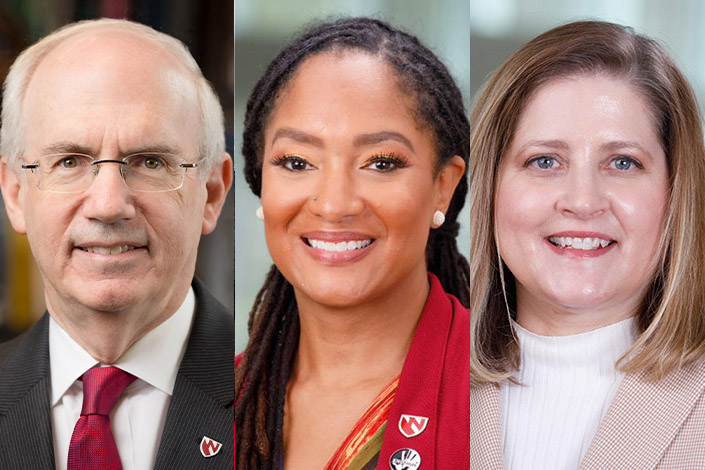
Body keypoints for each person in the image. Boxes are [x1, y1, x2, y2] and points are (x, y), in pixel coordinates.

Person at [234, 17, 469, 470]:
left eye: (380, 163)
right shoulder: (216, 400)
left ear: (444, 186)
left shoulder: (504, 393)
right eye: (297, 162)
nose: (334, 204)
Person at [470, 20, 705, 469]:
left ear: (676, 193)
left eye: (623, 162)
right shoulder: (408, 384)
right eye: (544, 160)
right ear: (490, 189)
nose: (583, 201)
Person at [0, 19, 233, 469]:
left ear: (213, 193)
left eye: (150, 161)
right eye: (69, 161)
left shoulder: (282, 392)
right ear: (14, 192)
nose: (108, 205)